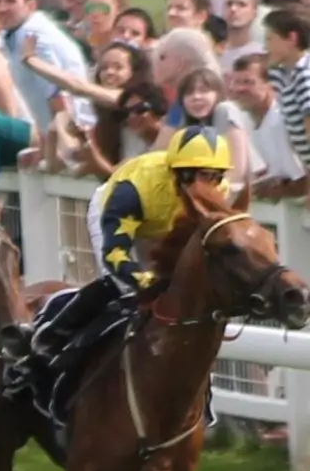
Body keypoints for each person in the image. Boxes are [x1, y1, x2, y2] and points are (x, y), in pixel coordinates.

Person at [17, 127, 233, 416]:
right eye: (200, 174)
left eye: (215, 176)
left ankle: (200, 393)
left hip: (166, 227)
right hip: (117, 214)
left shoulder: (219, 194)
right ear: (180, 173)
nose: (209, 184)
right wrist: (142, 279)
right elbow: (115, 254)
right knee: (121, 287)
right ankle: (51, 338)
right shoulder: (134, 190)